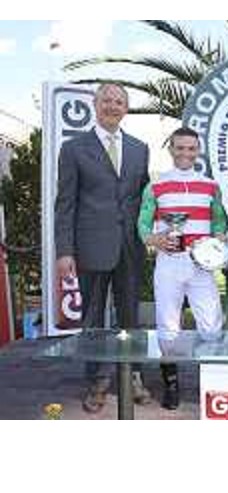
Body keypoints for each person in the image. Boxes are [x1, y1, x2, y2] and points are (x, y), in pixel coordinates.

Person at [55, 83, 152, 413]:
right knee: (93, 316)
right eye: (107, 100)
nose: (113, 106)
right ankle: (96, 380)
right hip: (91, 245)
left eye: (119, 101)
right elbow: (65, 204)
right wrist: (64, 251)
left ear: (126, 108)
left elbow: (145, 200)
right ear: (95, 106)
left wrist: (152, 234)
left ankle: (134, 374)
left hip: (130, 246)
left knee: (131, 315)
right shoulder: (73, 148)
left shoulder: (141, 148)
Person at [137, 127, 228, 410]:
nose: (186, 153)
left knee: (211, 326)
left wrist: (219, 239)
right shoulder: (155, 186)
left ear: (198, 150)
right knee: (168, 326)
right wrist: (154, 239)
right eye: (180, 148)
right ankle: (172, 385)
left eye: (191, 148)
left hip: (201, 268)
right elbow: (142, 223)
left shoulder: (211, 186)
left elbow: (219, 222)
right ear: (171, 149)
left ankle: (212, 385)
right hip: (169, 264)